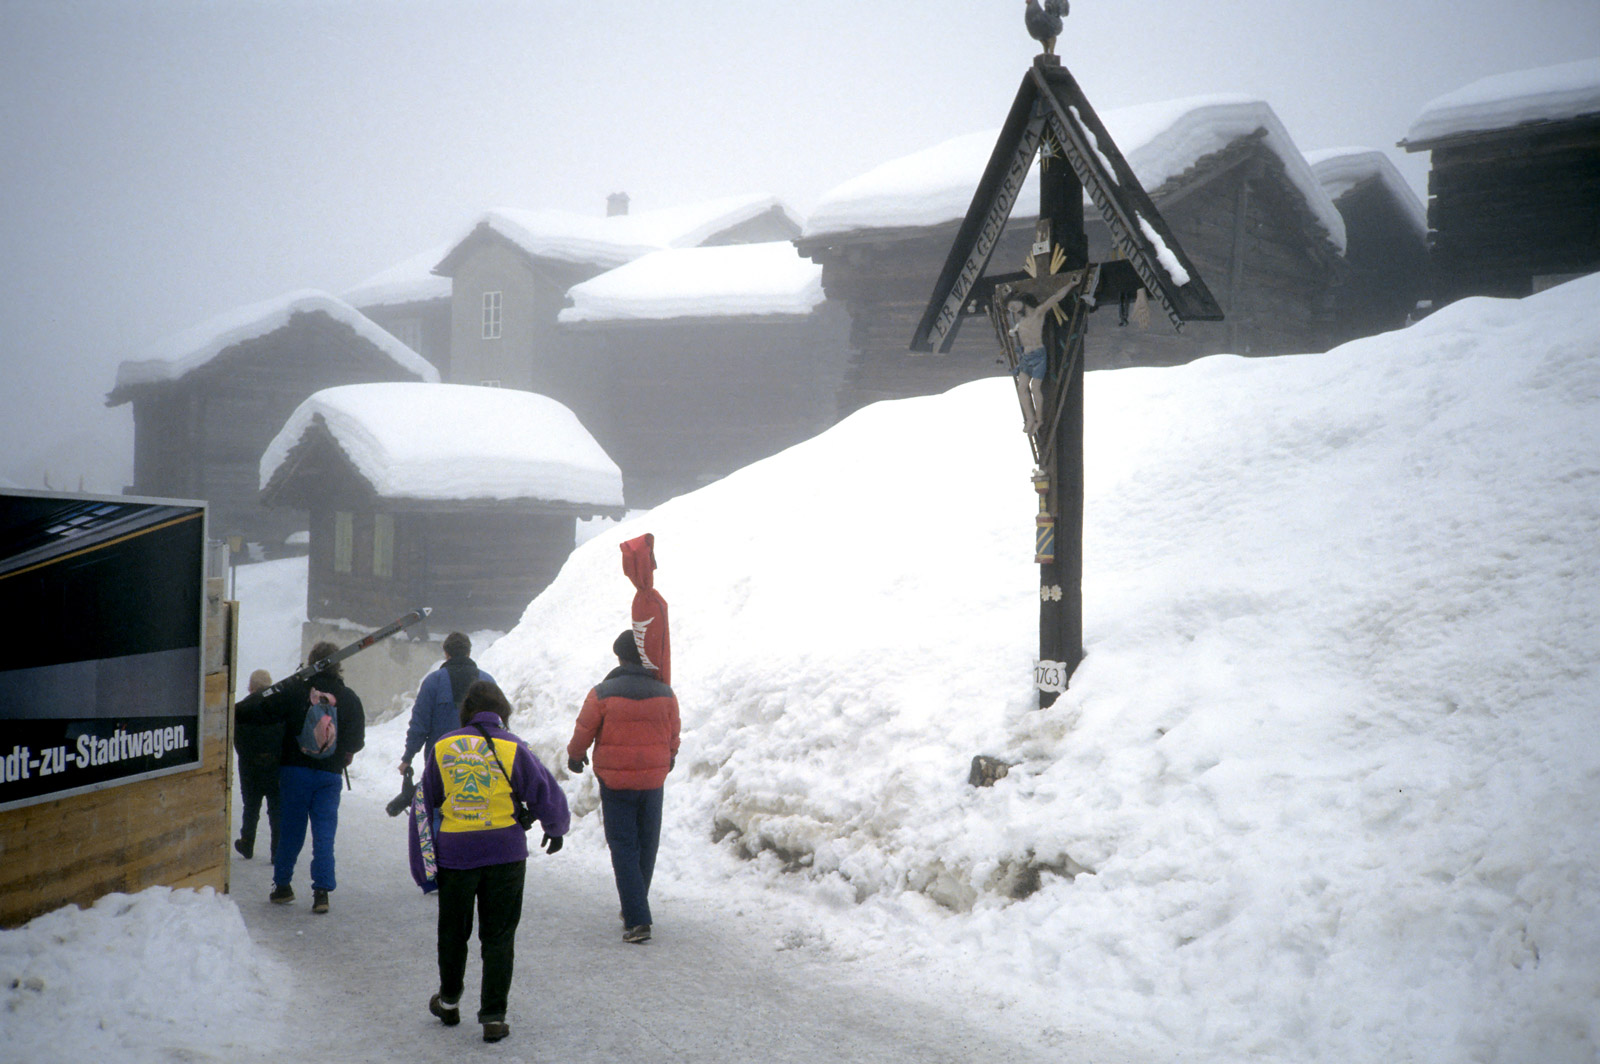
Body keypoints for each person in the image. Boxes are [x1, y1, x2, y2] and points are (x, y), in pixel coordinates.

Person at [422, 680, 568, 1044]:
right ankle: (493, 1017)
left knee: (453, 932)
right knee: (499, 935)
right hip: (505, 852)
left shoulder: (443, 747)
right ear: (502, 712)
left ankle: (450, 1001)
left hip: (457, 853)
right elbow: (544, 791)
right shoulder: (514, 747)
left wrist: (423, 859)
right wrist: (555, 827)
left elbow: (427, 801)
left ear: (467, 712)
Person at [567, 630, 680, 944]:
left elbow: (584, 730)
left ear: (619, 657)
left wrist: (575, 756)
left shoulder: (602, 693)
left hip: (616, 783)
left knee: (624, 846)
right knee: (647, 843)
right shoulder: (666, 692)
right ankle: (636, 903)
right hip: (653, 780)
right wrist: (670, 756)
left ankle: (637, 917)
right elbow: (673, 733)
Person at [236, 641, 365, 914]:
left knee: (291, 831)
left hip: (294, 772)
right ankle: (321, 893)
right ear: (339, 664)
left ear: (311, 662)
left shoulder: (295, 690)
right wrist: (342, 750)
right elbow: (356, 740)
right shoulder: (349, 697)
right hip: (329, 776)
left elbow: (261, 710)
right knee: (324, 834)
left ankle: (282, 886)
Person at [399, 632, 494, 893]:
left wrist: (408, 757)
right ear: (469, 651)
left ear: (447, 653)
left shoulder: (434, 682)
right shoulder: (487, 681)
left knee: (442, 812)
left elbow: (420, 724)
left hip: (443, 762)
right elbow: (500, 721)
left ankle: (444, 871)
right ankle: (478, 867)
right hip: (482, 759)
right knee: (479, 811)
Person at [1006, 282, 1076, 435]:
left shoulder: (1038, 312)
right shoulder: (1021, 322)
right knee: (1021, 387)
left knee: (1035, 387)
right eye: (1011, 309)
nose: (1014, 310)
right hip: (1026, 358)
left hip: (1038, 356)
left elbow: (1056, 297)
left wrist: (1071, 284)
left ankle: (1039, 419)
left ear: (1021, 300)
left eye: (1013, 306)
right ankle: (1030, 419)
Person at [233, 668, 281, 862]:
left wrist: (248, 757)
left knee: (251, 806)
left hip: (250, 767)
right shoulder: (280, 708)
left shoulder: (240, 708)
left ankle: (247, 842)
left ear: (251, 687)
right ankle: (277, 850)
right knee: (277, 809)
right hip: (276, 766)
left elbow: (237, 740)